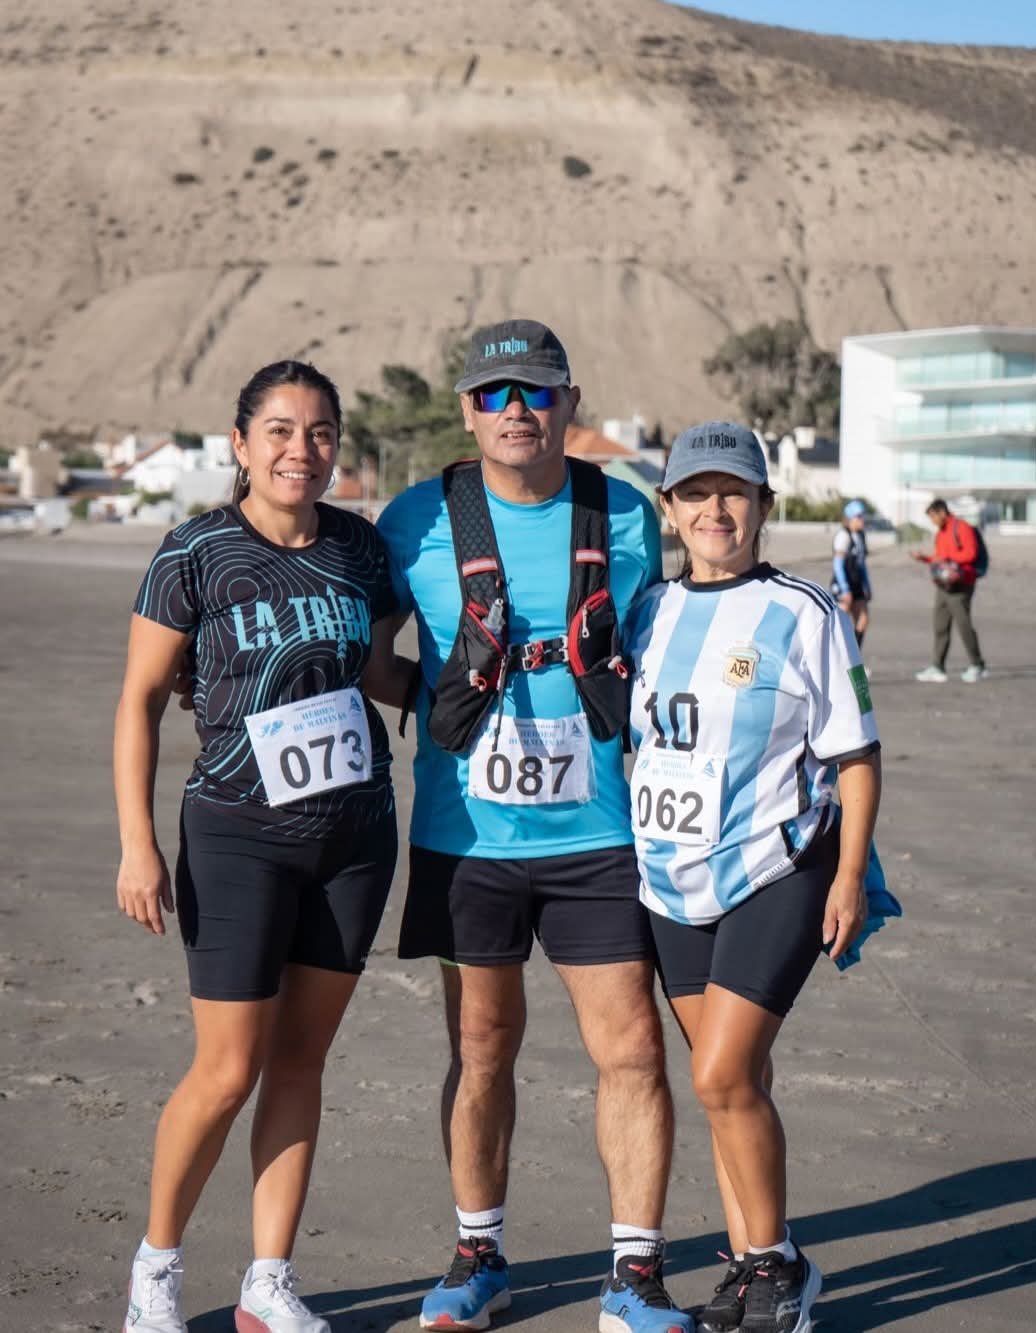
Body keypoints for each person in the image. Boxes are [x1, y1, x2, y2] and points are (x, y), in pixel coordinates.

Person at [376, 320, 694, 1333]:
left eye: (536, 392)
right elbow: (363, 651)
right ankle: (478, 1255)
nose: (516, 410)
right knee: (480, 1046)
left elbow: (672, 651)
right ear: (467, 411)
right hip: (464, 839)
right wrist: (436, 700)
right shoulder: (413, 520)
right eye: (495, 394)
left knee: (634, 1048)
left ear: (568, 403)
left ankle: (634, 1275)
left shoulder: (627, 513)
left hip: (598, 836)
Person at [114, 360, 415, 1333]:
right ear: (241, 444)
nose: (301, 449)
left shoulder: (360, 549)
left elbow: (376, 672)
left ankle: (268, 1281)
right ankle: (156, 1269)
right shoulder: (195, 552)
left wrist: (468, 692)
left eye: (320, 431)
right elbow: (141, 701)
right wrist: (137, 844)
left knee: (299, 1063)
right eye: (280, 430)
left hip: (355, 839)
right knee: (227, 1068)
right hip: (237, 837)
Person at [627, 423, 883, 1333]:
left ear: (764, 506)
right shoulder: (646, 611)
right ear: (669, 509)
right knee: (731, 1082)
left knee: (721, 1074)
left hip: (779, 868)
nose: (715, 509)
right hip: (670, 879)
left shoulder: (803, 612)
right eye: (695, 493)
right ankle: (749, 1266)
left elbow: (855, 755)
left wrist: (848, 877)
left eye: (733, 492)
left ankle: (777, 1268)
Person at [910, 498, 988, 682]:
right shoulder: (941, 533)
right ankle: (938, 667)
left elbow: (970, 553)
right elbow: (939, 558)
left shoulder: (962, 527)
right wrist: (924, 558)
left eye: (933, 517)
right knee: (940, 626)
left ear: (942, 512)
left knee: (963, 625)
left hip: (961, 584)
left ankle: (977, 665)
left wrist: (946, 556)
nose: (932, 521)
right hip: (944, 585)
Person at [830, 498, 871, 650]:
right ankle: (835, 653)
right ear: (850, 518)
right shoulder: (843, 536)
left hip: (857, 582)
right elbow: (838, 565)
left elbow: (861, 564)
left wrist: (867, 585)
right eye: (859, 516)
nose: (862, 519)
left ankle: (854, 655)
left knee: (863, 618)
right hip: (843, 583)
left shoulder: (861, 535)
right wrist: (845, 588)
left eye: (863, 516)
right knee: (840, 619)